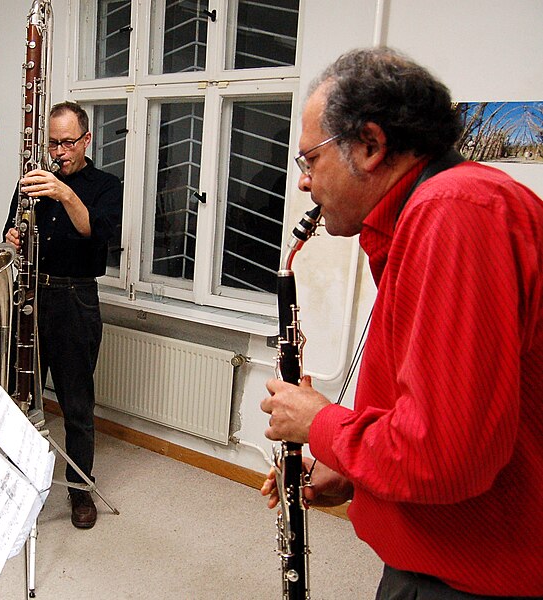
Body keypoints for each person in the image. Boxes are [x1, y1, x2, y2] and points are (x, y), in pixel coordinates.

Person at [260, 48, 542, 598]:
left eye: (309, 161)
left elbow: (444, 460)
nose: (303, 183)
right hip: (444, 559)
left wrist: (320, 424)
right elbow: (432, 413)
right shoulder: (426, 214)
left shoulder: (454, 214)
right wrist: (354, 467)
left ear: (369, 145)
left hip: (473, 576)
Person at [3, 101, 122, 529]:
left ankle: (80, 491)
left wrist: (64, 192)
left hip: (75, 299)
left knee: (75, 402)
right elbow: (9, 230)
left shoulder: (106, 185)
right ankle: (23, 482)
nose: (59, 151)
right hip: (31, 295)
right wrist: (13, 235)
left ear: (86, 140)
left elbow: (97, 231)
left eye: (68, 142)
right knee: (23, 395)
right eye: (53, 142)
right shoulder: (32, 182)